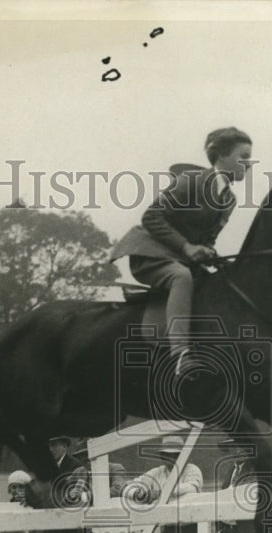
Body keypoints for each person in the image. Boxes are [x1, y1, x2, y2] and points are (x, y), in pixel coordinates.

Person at [109, 127, 253, 377]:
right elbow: (151, 216)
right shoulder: (190, 181)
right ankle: (180, 355)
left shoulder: (229, 200)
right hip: (150, 255)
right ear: (222, 156)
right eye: (244, 157)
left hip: (182, 259)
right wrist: (187, 247)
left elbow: (207, 239)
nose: (249, 165)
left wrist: (208, 252)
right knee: (181, 278)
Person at [43, 436, 83, 533]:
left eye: (54, 445)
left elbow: (76, 491)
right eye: (49, 446)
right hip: (50, 516)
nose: (51, 449)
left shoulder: (75, 465)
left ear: (65, 447)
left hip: (69, 515)